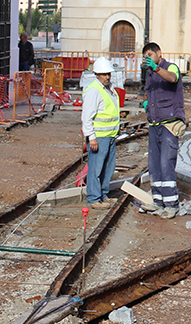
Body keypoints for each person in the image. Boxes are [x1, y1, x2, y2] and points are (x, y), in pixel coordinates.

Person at [141, 42, 187, 218]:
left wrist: (156, 68)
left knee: (166, 163)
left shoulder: (170, 67)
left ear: (159, 54)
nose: (147, 59)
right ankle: (158, 201)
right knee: (154, 165)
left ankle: (171, 204)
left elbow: (173, 78)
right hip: (154, 124)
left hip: (169, 123)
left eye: (150, 55)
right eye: (145, 57)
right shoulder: (150, 75)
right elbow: (147, 92)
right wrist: (146, 103)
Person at [81, 57, 121, 210]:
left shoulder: (109, 89)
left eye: (108, 74)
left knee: (108, 168)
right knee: (96, 169)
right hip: (99, 137)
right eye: (104, 74)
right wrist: (91, 137)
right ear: (96, 74)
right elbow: (87, 117)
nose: (107, 77)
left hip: (110, 136)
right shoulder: (94, 91)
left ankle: (103, 195)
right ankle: (93, 198)